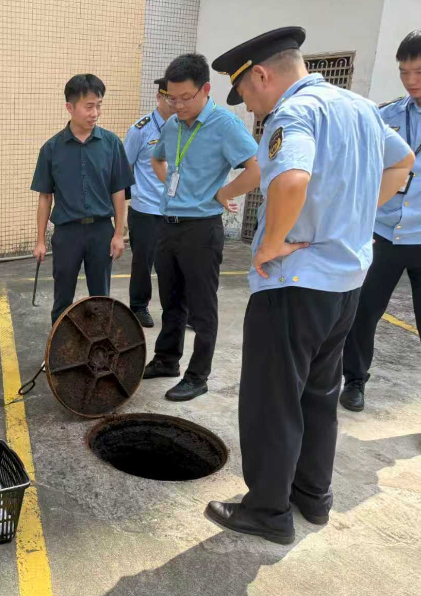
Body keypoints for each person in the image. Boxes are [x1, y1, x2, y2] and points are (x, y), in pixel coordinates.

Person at [205, 27, 414, 544]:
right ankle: (313, 496)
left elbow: (292, 179)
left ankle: (268, 510)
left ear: (261, 75)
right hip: (345, 283)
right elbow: (403, 162)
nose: (250, 109)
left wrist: (271, 244)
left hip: (295, 284)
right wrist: (354, 217)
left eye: (246, 94)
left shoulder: (293, 113)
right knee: (319, 393)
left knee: (272, 398)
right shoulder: (361, 107)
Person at [144, 54, 260, 401]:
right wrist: (172, 190)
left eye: (185, 97)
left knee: (202, 307)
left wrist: (224, 193)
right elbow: (157, 160)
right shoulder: (172, 125)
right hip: (169, 225)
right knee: (171, 300)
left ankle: (198, 375)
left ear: (205, 89)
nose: (177, 105)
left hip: (201, 230)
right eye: (171, 98)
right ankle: (167, 359)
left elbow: (257, 169)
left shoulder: (225, 125)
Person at [340, 29, 421, 412]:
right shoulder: (384, 116)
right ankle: (354, 381)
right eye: (404, 72)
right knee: (363, 313)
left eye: (418, 72)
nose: (410, 80)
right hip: (383, 234)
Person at [31, 74, 134, 325]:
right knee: (62, 298)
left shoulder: (111, 144)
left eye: (98, 105)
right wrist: (40, 240)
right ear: (70, 107)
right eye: (89, 106)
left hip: (101, 231)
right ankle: (58, 346)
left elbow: (119, 192)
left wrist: (118, 234)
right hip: (67, 234)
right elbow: (45, 197)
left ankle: (101, 345)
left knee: (101, 298)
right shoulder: (51, 149)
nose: (95, 113)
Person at [122, 78, 175, 328]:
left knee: (174, 263)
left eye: (178, 99)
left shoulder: (183, 127)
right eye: (169, 99)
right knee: (143, 262)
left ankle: (174, 308)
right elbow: (124, 168)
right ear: (158, 97)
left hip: (175, 207)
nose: (174, 104)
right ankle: (138, 306)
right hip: (146, 209)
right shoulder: (140, 130)